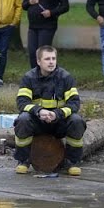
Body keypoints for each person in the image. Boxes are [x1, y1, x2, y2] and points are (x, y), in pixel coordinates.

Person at [13, 45, 87, 176]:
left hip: (59, 123)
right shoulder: (29, 78)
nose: (51, 62)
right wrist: (38, 111)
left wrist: (57, 114)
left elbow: (74, 103)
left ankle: (72, 162)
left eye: (53, 58)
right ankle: (23, 161)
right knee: (23, 119)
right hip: (38, 122)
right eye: (47, 59)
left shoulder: (66, 78)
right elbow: (22, 103)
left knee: (77, 121)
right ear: (38, 61)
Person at [22, 0, 70, 69]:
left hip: (47, 26)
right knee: (32, 52)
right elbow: (24, 6)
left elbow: (65, 6)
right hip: (33, 26)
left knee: (43, 53)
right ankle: (35, 75)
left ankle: (45, 75)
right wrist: (30, 2)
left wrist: (51, 12)